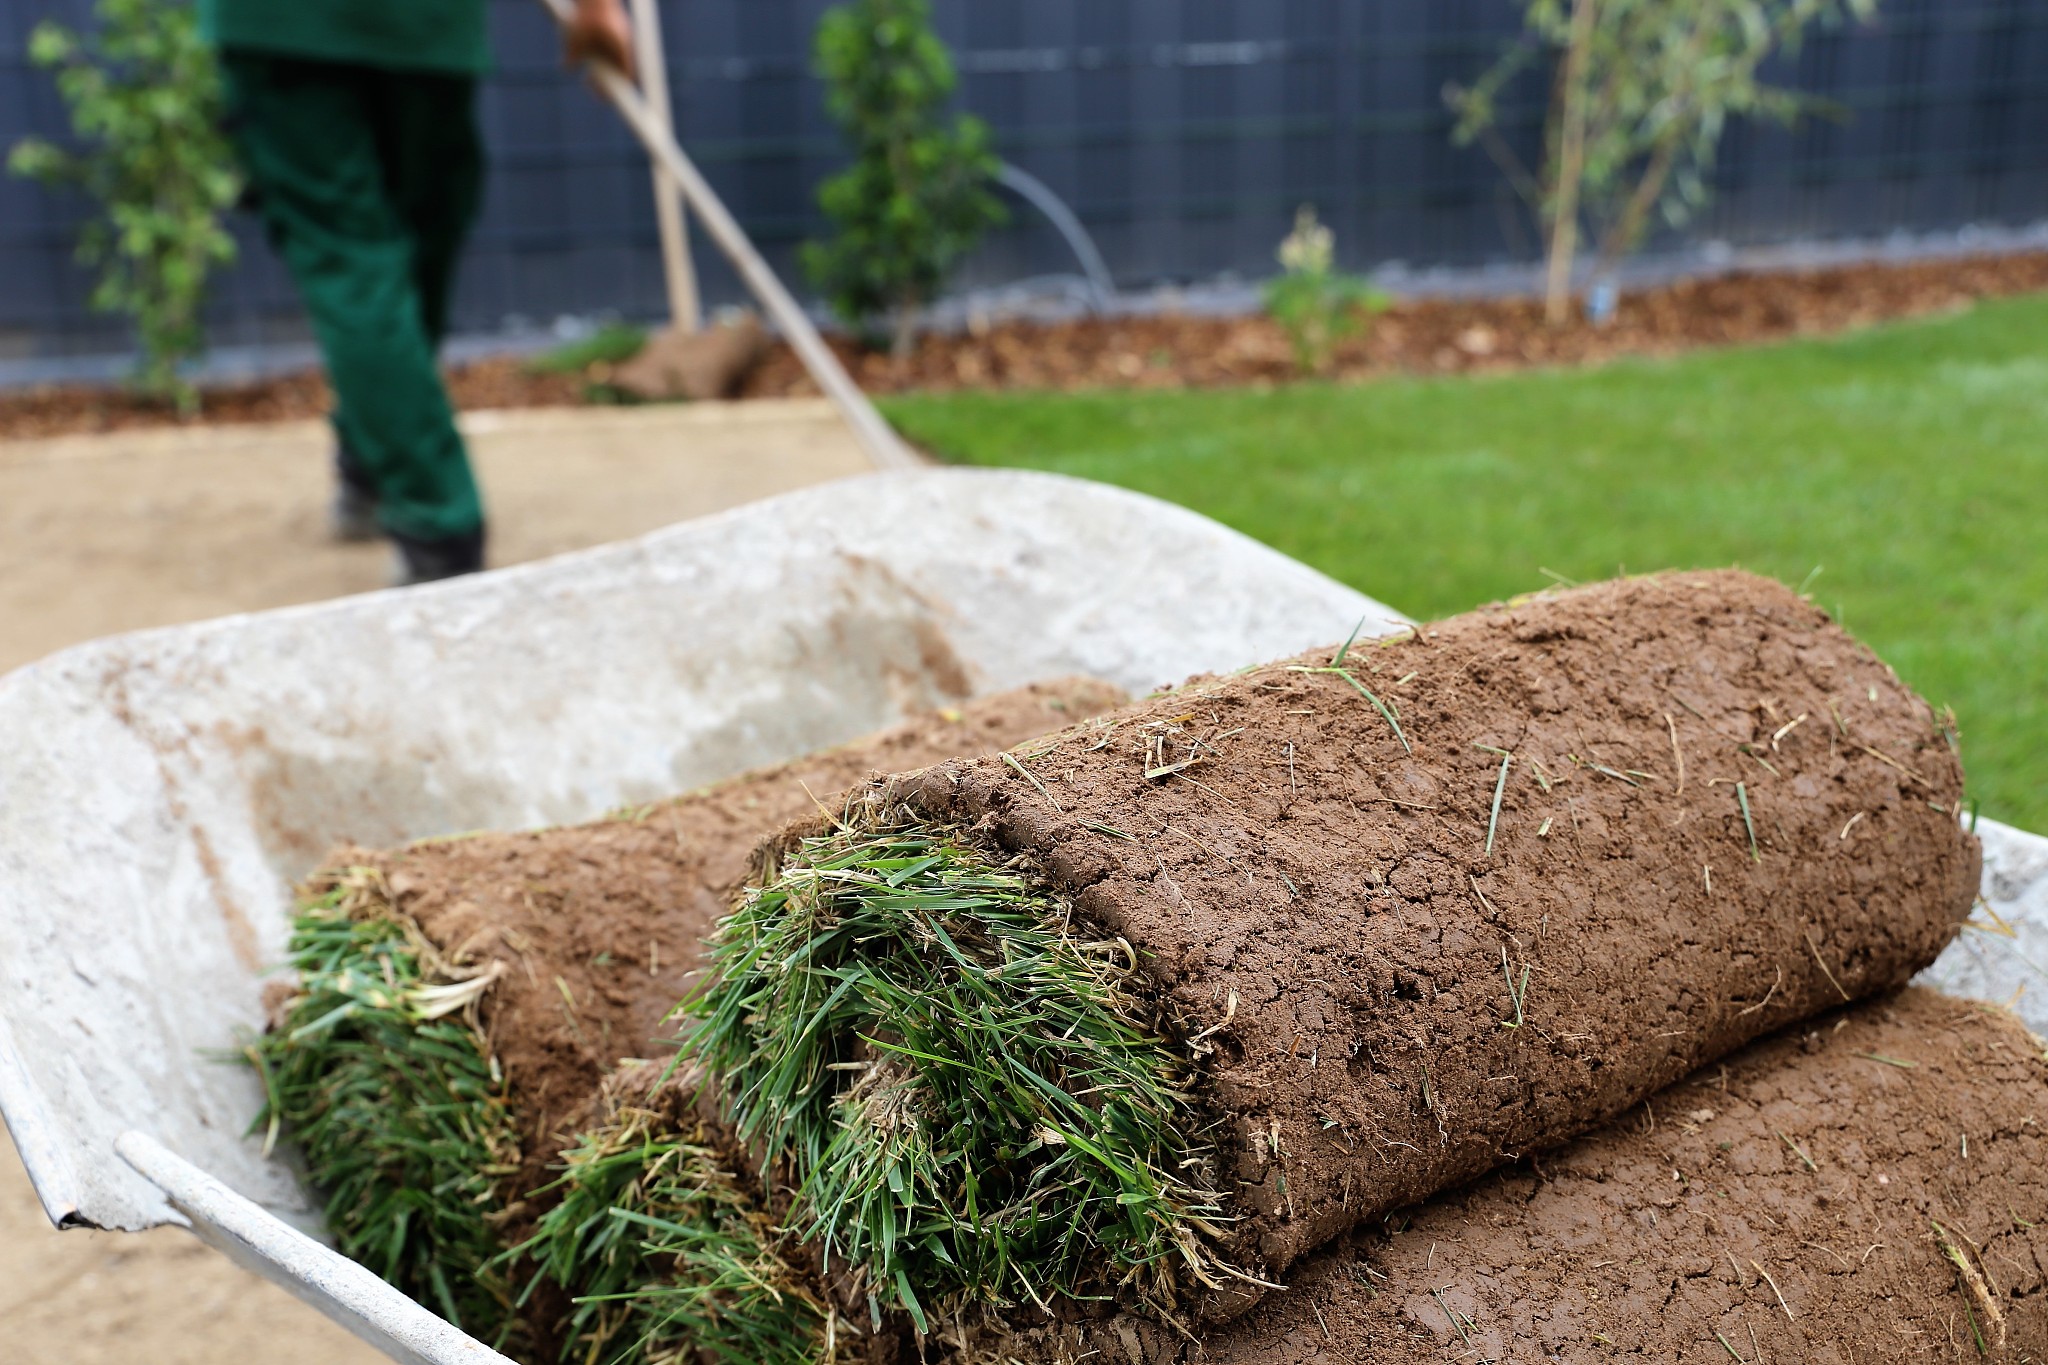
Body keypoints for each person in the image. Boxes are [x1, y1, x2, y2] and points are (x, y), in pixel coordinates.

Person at [199, 0, 635, 583]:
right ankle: (430, 516)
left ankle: (411, 498)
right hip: (415, 29)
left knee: (362, 258)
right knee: (389, 251)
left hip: (293, 26)